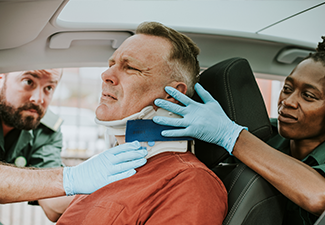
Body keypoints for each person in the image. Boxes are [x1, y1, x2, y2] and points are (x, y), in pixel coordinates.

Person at [52, 21, 227, 224]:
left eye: (131, 68)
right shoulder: (109, 168)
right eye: (111, 64)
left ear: (172, 95)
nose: (106, 75)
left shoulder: (190, 183)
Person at [153, 37, 325, 224]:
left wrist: (231, 135)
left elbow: (319, 196)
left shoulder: (243, 138)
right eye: (287, 88)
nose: (288, 101)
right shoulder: (265, 133)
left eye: (308, 96)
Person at [0, 69, 147, 203]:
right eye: (29, 82)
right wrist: (70, 178)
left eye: (49, 88)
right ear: (2, 77)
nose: (39, 99)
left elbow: (51, 203)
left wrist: (117, 193)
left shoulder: (45, 130)